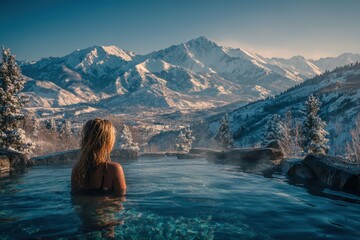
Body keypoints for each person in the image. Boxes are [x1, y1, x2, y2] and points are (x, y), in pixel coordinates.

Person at [71, 118, 126, 196]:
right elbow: (121, 199)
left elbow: (75, 199)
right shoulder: (114, 169)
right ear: (108, 142)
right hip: (107, 207)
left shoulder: (77, 170)